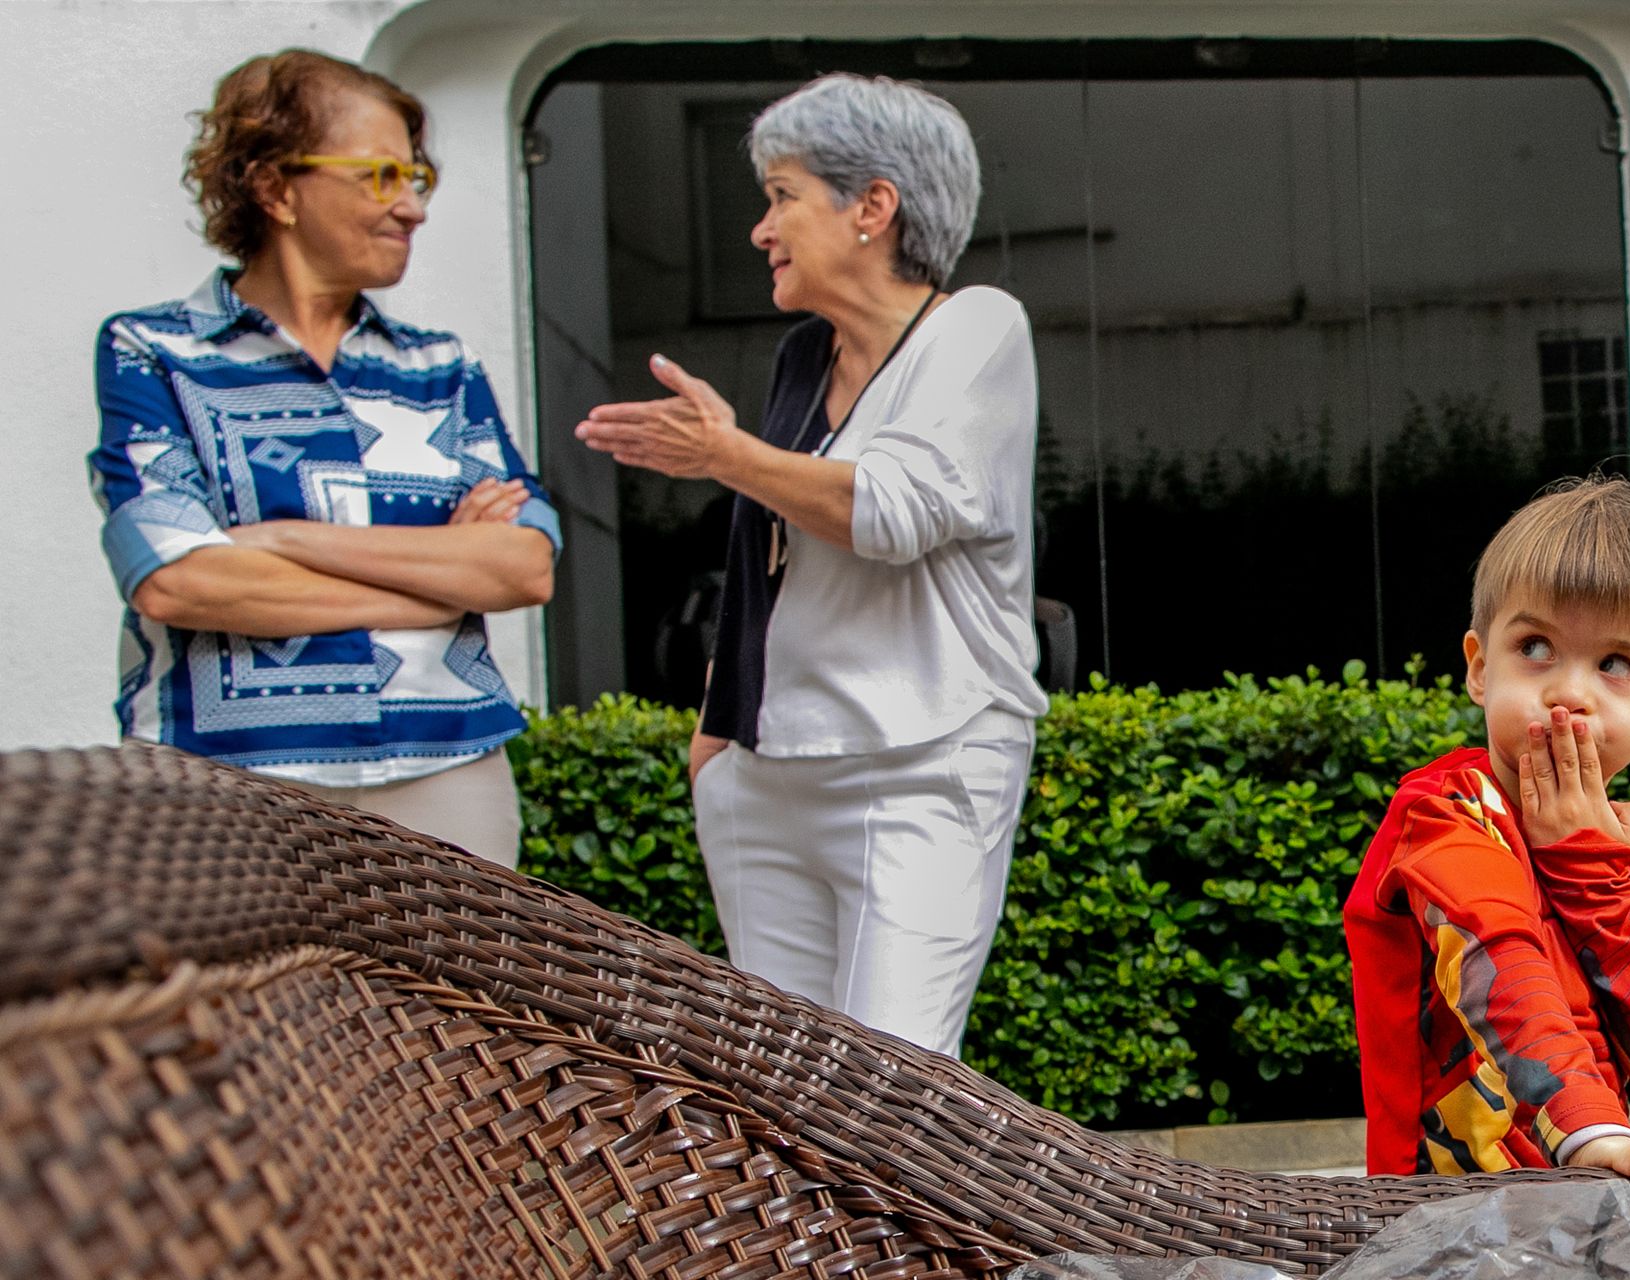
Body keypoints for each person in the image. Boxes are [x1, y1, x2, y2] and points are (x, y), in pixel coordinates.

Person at [574, 73, 1046, 1057]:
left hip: (921, 762)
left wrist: (724, 452)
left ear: (873, 206)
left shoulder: (977, 327)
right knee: (777, 1089)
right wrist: (717, 737)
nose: (760, 227)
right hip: (765, 772)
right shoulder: (801, 357)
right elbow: (771, 558)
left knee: (891, 1089)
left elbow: (895, 511)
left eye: (782, 194)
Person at [87, 50, 561, 868]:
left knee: (454, 1003)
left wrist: (279, 540)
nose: (410, 206)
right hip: (222, 778)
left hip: (446, 766)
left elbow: (523, 567)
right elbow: (175, 579)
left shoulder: (442, 367)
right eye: (381, 175)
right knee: (233, 1004)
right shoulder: (152, 352)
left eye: (418, 179)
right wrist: (428, 589)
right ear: (275, 188)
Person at [1342, 477, 1630, 1263]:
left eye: (1615, 663)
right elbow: (1497, 960)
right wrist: (1599, 1132)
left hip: (1583, 1210)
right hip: (1436, 1224)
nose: (1568, 693)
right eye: (1535, 648)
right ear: (1479, 666)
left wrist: (1590, 868)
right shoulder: (1445, 811)